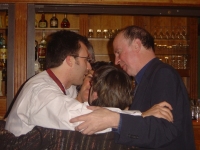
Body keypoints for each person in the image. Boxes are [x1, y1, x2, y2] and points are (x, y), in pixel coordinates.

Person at [5, 30, 172, 138]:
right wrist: (142, 116)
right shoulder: (40, 92)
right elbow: (84, 118)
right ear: (70, 61)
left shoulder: (66, 88)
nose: (89, 67)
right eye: (86, 60)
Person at [70, 25, 195, 150]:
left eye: (118, 52)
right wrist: (139, 115)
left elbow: (163, 130)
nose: (116, 61)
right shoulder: (147, 78)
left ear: (136, 45)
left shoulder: (163, 74)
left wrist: (116, 120)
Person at [1, 63, 172, 150]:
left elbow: (12, 144)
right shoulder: (139, 137)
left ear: (95, 92)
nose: (87, 81)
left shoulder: (48, 132)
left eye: (91, 79)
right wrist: (140, 116)